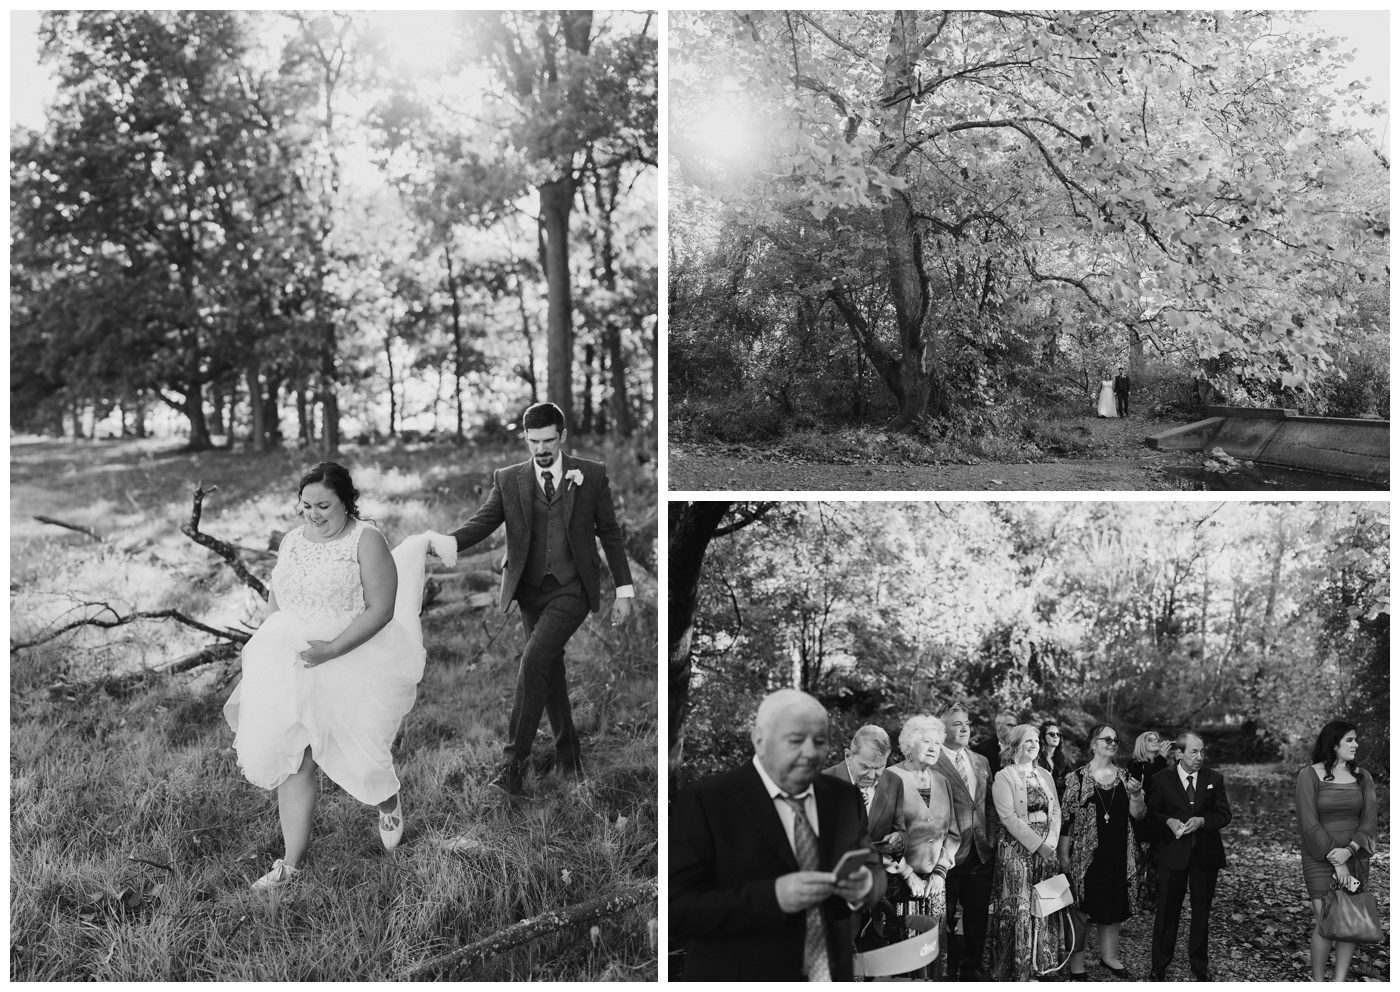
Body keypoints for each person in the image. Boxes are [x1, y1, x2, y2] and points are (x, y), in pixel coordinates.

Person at [224, 462, 453, 889]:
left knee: (360, 751)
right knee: (295, 757)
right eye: (306, 505)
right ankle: (290, 864)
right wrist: (272, 649)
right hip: (294, 660)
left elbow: (382, 609)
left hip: (352, 653)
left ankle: (387, 801)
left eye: (323, 505)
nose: (313, 513)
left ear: (347, 501)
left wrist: (332, 650)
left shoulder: (366, 540)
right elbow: (279, 600)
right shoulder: (292, 541)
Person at [446, 401, 635, 795]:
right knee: (549, 669)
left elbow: (610, 533)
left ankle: (512, 765)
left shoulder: (592, 475)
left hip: (573, 587)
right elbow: (483, 522)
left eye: (549, 440)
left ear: (563, 436)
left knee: (533, 660)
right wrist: (445, 543)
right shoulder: (509, 478)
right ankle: (569, 756)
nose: (541, 449)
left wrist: (624, 590)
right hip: (530, 591)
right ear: (526, 439)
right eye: (534, 441)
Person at [670, 689, 883, 981]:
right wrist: (773, 898)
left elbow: (873, 865)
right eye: (795, 740)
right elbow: (678, 910)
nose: (810, 752)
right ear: (759, 739)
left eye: (819, 741)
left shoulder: (844, 798)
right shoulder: (706, 802)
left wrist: (866, 885)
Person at [1059, 723, 1146, 979]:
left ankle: (1109, 957)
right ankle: (1077, 964)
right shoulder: (1076, 779)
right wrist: (1063, 856)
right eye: (1106, 739)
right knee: (1081, 909)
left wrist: (1138, 794)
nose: (1112, 743)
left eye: (1115, 740)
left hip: (1118, 853)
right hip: (1085, 857)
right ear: (1093, 744)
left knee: (1113, 907)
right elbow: (1066, 822)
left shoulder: (1124, 777)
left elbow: (1138, 815)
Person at [1295, 720, 1378, 982]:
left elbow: (1370, 821)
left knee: (1349, 919)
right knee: (1326, 920)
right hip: (1319, 857)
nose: (1356, 744)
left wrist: (1350, 851)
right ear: (1334, 744)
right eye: (1350, 740)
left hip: (1354, 856)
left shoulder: (1363, 777)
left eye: (1356, 739)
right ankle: (1318, 983)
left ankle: (1339, 983)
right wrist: (1336, 858)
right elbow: (1309, 823)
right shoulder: (1308, 775)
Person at [1148, 732, 1233, 981]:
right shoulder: (1161, 779)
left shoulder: (1214, 778)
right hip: (1172, 854)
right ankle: (1160, 964)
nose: (1200, 757)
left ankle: (1199, 966)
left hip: (1205, 856)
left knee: (1201, 913)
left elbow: (1224, 815)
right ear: (1178, 754)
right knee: (1166, 912)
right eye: (1194, 752)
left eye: (1202, 751)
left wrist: (1204, 820)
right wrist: (1168, 821)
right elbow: (1152, 815)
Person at [887, 715, 962, 976]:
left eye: (937, 743)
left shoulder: (942, 781)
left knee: (934, 949)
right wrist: (908, 875)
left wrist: (940, 872)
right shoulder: (890, 778)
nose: (933, 747)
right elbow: (881, 837)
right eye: (926, 741)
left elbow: (953, 833)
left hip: (935, 886)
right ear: (908, 745)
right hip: (899, 883)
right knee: (904, 952)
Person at [987, 724, 1062, 981]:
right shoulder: (1004, 776)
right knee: (1019, 907)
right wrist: (1037, 845)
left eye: (1037, 741)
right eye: (1028, 741)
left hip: (1045, 850)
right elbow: (1008, 817)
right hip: (1016, 850)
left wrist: (1049, 844)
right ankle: (1015, 970)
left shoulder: (1045, 774)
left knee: (1044, 905)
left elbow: (1056, 812)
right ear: (1016, 744)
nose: (1034, 745)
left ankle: (1042, 965)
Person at [937, 705, 996, 980]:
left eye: (967, 723)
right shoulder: (932, 760)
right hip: (947, 856)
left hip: (980, 852)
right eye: (956, 724)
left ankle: (970, 967)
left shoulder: (981, 761)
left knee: (977, 916)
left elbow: (989, 805)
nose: (964, 728)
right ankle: (946, 969)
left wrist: (992, 839)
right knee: (944, 918)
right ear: (942, 730)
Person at [822, 725, 907, 894]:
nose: (871, 775)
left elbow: (901, 831)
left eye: (879, 767)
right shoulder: (823, 784)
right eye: (865, 767)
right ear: (848, 756)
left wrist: (899, 840)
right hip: (835, 889)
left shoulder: (894, 783)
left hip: (878, 889)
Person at [1128, 731, 1170, 909]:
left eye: (1156, 739)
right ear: (1141, 744)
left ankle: (1152, 901)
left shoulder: (1164, 764)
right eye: (1150, 739)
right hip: (1142, 820)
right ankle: (1132, 900)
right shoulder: (1135, 764)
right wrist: (1161, 758)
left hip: (1160, 820)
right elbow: (1147, 782)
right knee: (1138, 862)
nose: (1155, 741)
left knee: (1157, 862)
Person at [1038, 720, 1072, 797]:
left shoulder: (1064, 759)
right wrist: (1061, 781)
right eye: (1052, 734)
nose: (1056, 736)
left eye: (1058, 734)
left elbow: (1071, 780)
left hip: (1060, 801)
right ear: (1043, 736)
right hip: (1041, 800)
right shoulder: (1036, 758)